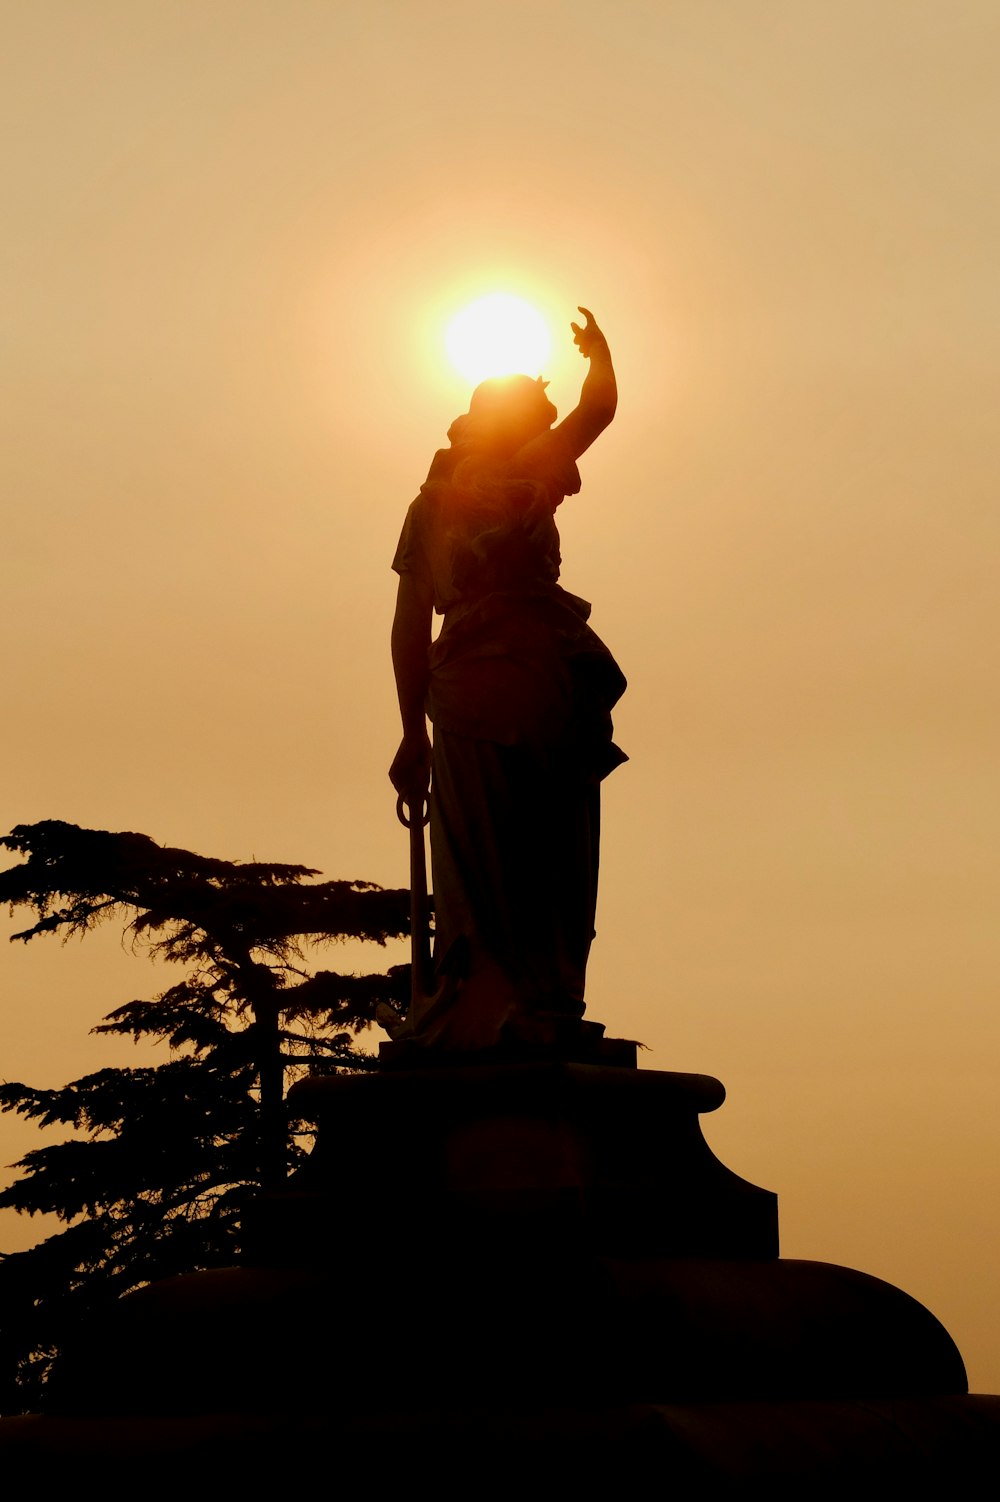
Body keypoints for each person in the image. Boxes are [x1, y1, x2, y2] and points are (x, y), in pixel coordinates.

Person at [388, 307, 626, 1051]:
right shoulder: (446, 503)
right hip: (478, 685)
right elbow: (408, 626)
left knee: (542, 844)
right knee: (501, 852)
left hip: (526, 675)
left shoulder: (522, 478)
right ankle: (497, 998)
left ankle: (533, 998)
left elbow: (598, 411)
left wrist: (599, 354)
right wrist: (407, 734)